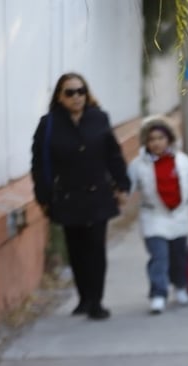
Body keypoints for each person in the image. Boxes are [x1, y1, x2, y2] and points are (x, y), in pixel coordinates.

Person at [31, 72, 130, 320]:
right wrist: (43, 196)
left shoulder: (99, 118)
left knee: (96, 248)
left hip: (98, 194)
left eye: (80, 91)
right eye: (70, 92)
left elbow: (113, 155)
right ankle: (84, 298)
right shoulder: (49, 124)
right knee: (75, 249)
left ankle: (96, 301)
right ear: (60, 97)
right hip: (67, 197)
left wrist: (122, 184)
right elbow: (39, 163)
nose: (76, 97)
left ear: (87, 93)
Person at [127, 116, 188, 314]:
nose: (156, 143)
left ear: (169, 139)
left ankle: (181, 286)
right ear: (146, 142)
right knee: (159, 257)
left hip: (178, 217)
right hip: (153, 217)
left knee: (178, 256)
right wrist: (119, 196)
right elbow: (127, 187)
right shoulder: (138, 164)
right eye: (152, 139)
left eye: (160, 138)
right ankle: (158, 294)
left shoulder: (182, 161)